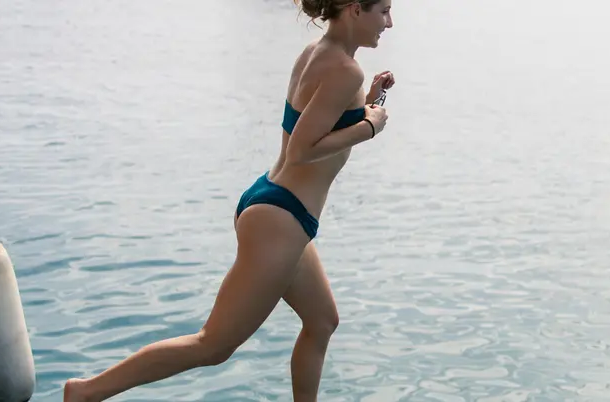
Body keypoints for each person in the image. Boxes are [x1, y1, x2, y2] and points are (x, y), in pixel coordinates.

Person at [63, 0, 394, 400]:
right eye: (384, 11)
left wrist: (367, 102)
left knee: (322, 321)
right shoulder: (345, 70)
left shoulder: (319, 54)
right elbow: (303, 151)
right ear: (356, 10)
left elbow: (316, 121)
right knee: (213, 345)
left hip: (274, 203)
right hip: (281, 221)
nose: (389, 23)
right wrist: (369, 128)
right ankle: (85, 392)